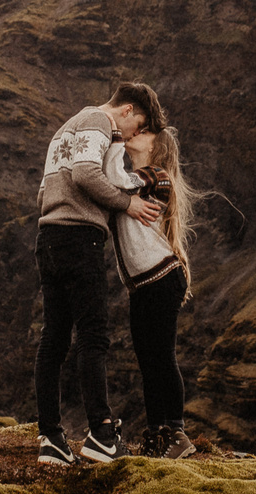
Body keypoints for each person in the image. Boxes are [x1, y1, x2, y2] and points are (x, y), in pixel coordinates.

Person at [34, 82, 167, 466]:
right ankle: (102, 434)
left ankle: (51, 438)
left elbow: (45, 192)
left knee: (54, 337)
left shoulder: (66, 129)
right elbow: (86, 174)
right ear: (125, 111)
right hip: (79, 238)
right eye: (137, 126)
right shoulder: (98, 121)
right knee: (93, 335)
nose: (133, 137)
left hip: (49, 236)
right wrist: (128, 204)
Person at [105, 123, 198, 459]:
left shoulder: (156, 177)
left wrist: (113, 138)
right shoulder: (140, 182)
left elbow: (116, 180)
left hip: (162, 277)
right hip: (144, 285)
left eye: (142, 133)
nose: (134, 135)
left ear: (157, 148)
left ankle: (177, 432)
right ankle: (156, 433)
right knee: (148, 362)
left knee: (161, 356)